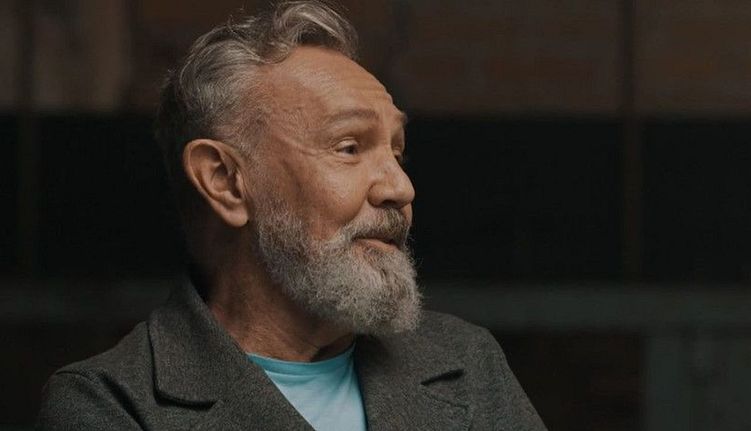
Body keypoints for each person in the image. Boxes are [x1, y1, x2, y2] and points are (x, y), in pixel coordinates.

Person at [36, 1, 546, 429]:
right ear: (225, 182)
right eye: (349, 148)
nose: (400, 188)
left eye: (397, 152)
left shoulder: (465, 362)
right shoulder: (110, 406)